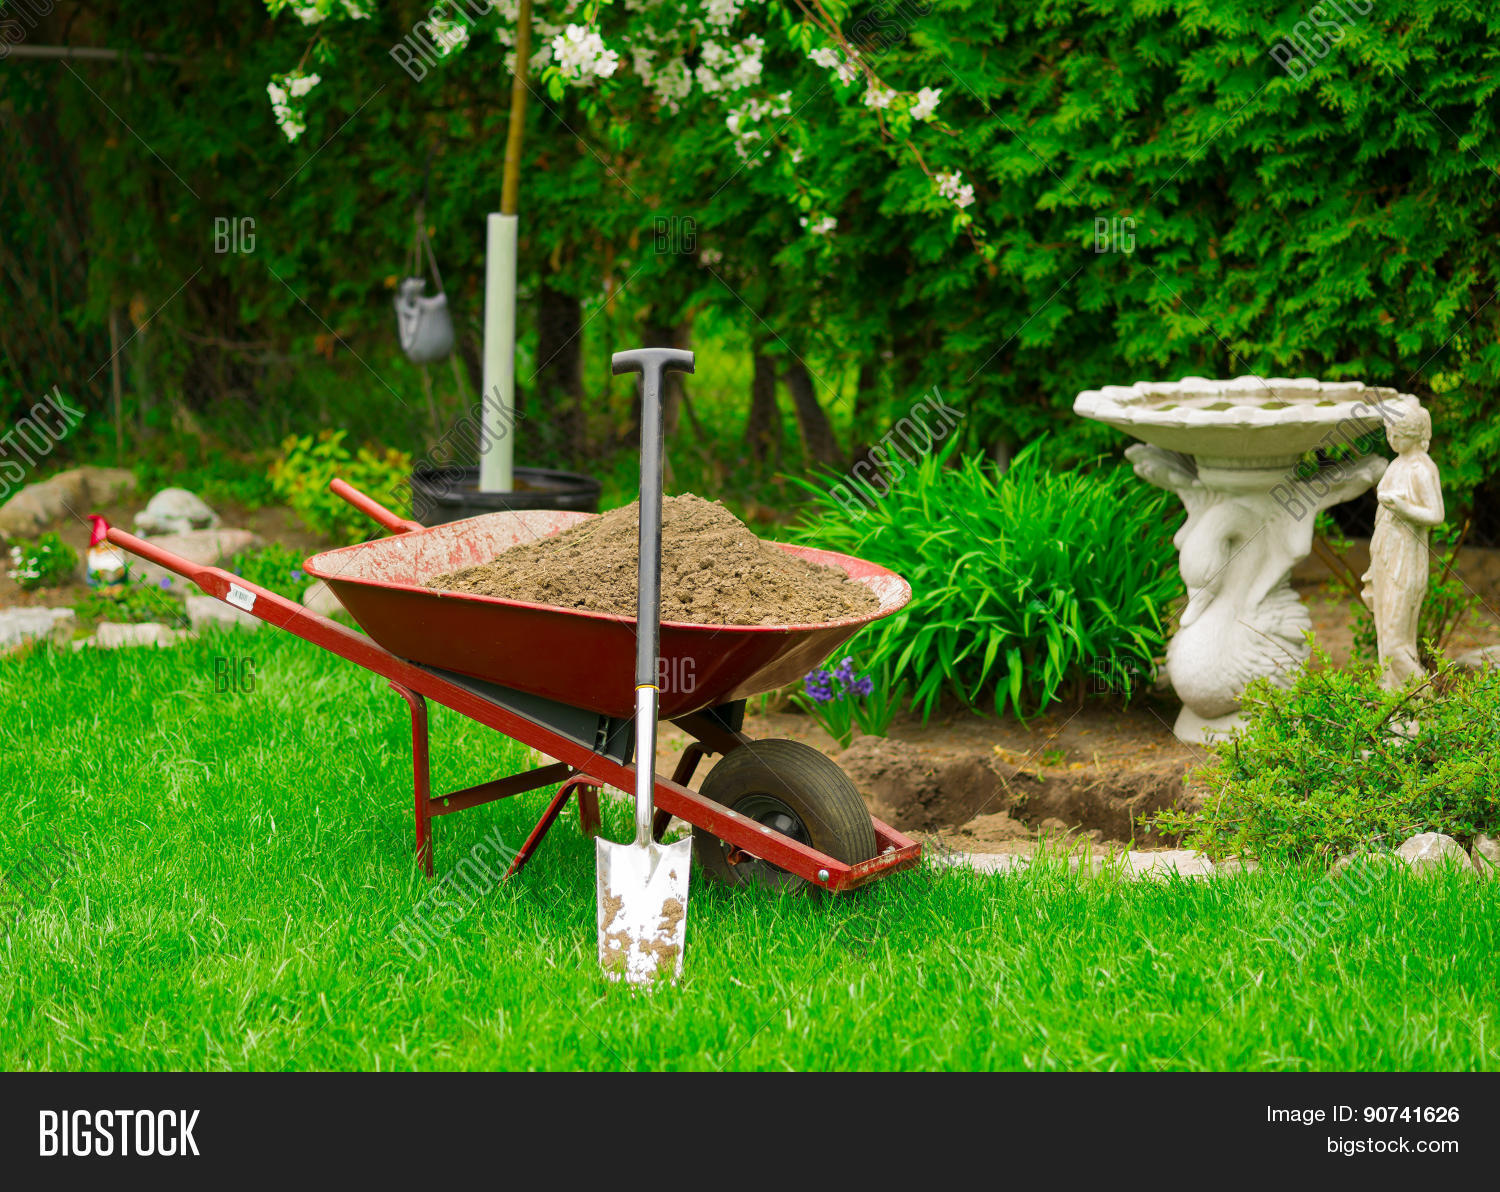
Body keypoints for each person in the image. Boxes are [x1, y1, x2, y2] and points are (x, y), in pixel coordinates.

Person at [1361, 401, 1444, 689]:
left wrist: (1404, 508)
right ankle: (1393, 703)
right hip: (1384, 552)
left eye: (1396, 434)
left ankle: (1425, 700)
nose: (1391, 439)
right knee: (1385, 639)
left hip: (1405, 558)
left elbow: (1436, 514)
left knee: (1396, 643)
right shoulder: (1396, 465)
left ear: (1412, 433)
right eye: (1388, 433)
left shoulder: (1422, 469)